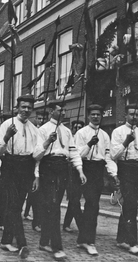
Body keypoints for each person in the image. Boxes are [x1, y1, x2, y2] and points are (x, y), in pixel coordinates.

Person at [34, 100, 86, 260]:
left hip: (63, 167)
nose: (63, 113)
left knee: (54, 205)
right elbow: (36, 155)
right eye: (60, 110)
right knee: (53, 206)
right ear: (51, 112)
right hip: (48, 167)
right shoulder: (43, 130)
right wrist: (48, 141)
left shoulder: (67, 131)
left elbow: (73, 151)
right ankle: (57, 246)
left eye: (64, 110)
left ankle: (44, 241)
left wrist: (80, 170)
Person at [0, 94, 41, 258]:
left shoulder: (34, 129)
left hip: (26, 167)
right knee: (13, 204)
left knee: (16, 206)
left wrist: (36, 175)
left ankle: (6, 241)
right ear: (17, 107)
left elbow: (37, 156)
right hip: (11, 165)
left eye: (29, 107)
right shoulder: (7, 124)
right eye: (23, 106)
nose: (26, 110)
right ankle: (22, 243)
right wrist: (7, 136)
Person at [74, 104, 119, 256]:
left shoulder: (105, 135)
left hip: (98, 170)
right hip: (84, 168)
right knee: (87, 205)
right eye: (92, 114)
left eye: (98, 115)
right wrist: (89, 144)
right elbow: (77, 154)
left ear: (101, 116)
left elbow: (107, 156)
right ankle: (87, 240)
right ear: (88, 116)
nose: (95, 117)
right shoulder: (81, 133)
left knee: (92, 205)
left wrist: (113, 173)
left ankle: (85, 240)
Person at [110, 103, 138, 255]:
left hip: (137, 169)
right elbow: (113, 155)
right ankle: (132, 242)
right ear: (125, 115)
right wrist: (126, 142)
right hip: (125, 168)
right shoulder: (118, 132)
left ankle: (121, 239)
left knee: (129, 204)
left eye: (137, 115)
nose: (134, 117)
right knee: (131, 205)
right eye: (131, 114)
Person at [63, 119, 85, 233]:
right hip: (70, 173)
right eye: (76, 127)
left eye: (80, 127)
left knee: (74, 200)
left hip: (81, 171)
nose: (78, 129)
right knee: (74, 199)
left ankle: (66, 224)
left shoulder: (83, 139)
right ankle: (82, 225)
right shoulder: (69, 139)